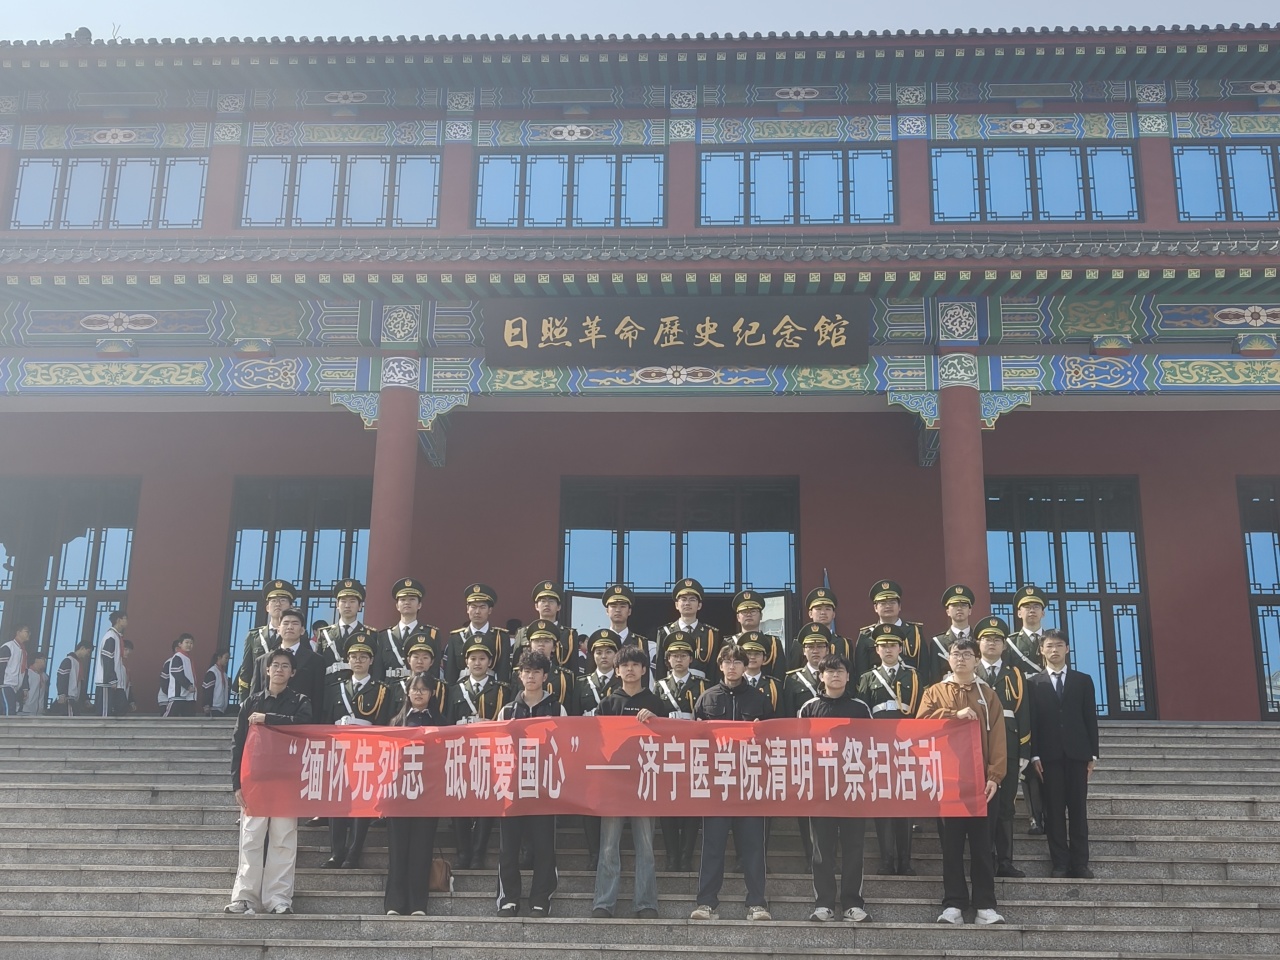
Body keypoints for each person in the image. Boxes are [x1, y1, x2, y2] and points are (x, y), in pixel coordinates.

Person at [917, 636, 1007, 925]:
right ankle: (954, 903)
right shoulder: (935, 692)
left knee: (983, 847)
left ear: (976, 660)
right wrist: (953, 714)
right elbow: (920, 726)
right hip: (948, 782)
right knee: (952, 847)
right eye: (956, 654)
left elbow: (999, 738)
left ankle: (985, 905)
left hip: (982, 783)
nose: (961, 659)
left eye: (967, 654)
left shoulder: (988, 694)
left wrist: (995, 776)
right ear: (948, 659)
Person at [225, 646, 313, 915]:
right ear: (266, 669)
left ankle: (278, 898)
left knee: (283, 839)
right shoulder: (251, 702)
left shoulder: (300, 701)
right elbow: (238, 743)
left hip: (287, 781)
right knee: (251, 838)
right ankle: (245, 897)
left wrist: (268, 719)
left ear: (293, 672)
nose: (279, 670)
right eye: (275, 665)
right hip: (256, 782)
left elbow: (304, 727)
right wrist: (236, 784)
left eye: (285, 666)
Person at [690, 642, 773, 922]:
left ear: (745, 666)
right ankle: (706, 903)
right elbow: (695, 741)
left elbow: (776, 740)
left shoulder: (759, 699)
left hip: (750, 783)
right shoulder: (707, 698)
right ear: (720, 666)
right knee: (712, 846)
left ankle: (757, 903)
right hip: (717, 784)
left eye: (738, 662)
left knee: (753, 847)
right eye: (727, 661)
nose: (732, 666)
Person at [592, 644, 668, 919]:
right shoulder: (608, 704)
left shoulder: (656, 703)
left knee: (645, 846)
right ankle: (603, 902)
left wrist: (657, 722)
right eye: (625, 665)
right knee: (608, 846)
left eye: (636, 665)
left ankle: (646, 903)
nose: (630, 669)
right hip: (613, 784)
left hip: (645, 783)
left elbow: (672, 740)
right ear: (617, 671)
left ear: (645, 669)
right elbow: (596, 742)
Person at [800, 653, 874, 922]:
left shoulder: (860, 708)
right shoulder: (809, 708)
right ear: (821, 676)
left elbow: (874, 744)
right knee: (822, 850)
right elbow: (800, 747)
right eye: (829, 671)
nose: (835, 675)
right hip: (820, 790)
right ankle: (824, 904)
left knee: (854, 847)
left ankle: (853, 903)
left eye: (840, 671)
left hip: (853, 787)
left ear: (848, 676)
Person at [496, 650, 568, 917]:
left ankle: (540, 898)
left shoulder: (557, 709)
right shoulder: (508, 710)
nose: (531, 676)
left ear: (545, 676)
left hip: (544, 787)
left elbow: (565, 746)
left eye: (536, 672)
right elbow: (497, 747)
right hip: (512, 787)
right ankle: (508, 898)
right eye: (526, 672)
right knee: (508, 847)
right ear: (519, 675)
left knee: (544, 845)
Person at [1029, 629, 1099, 880]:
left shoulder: (1083, 680)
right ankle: (1059, 863)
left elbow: (1090, 718)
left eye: (1059, 645)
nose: (1054, 650)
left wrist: (1093, 755)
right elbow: (1032, 722)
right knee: (1054, 812)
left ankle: (1080, 864)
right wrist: (1034, 755)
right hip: (1048, 757)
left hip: (1078, 754)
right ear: (1041, 650)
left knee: (1078, 810)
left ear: (1067, 649)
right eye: (1049, 646)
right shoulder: (1033, 683)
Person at [857, 623, 921, 876]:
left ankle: (905, 861)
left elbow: (920, 711)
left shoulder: (913, 676)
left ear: (900, 648)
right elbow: (862, 714)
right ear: (876, 649)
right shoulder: (867, 678)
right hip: (878, 747)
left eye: (892, 645)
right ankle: (886, 860)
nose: (888, 650)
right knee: (882, 804)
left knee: (905, 805)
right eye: (883, 646)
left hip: (906, 746)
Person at [384, 671, 449, 916]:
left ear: (432, 693)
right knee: (397, 850)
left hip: (428, 795)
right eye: (414, 689)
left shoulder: (442, 723)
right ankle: (394, 903)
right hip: (399, 795)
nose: (418, 693)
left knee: (422, 850)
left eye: (423, 689)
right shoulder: (396, 722)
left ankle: (418, 904)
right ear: (407, 693)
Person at [325, 636, 392, 870]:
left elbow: (384, 723)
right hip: (340, 751)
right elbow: (326, 721)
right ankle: (336, 853)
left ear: (371, 660)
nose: (358, 661)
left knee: (362, 803)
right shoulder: (335, 689)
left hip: (367, 751)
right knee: (337, 801)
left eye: (363, 657)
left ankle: (354, 852)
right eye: (353, 657)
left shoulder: (382, 690)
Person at [976, 616, 1032, 878]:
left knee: (1006, 805)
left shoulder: (1015, 674)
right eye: (987, 639)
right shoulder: (969, 672)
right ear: (978, 643)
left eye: (997, 640)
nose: (992, 643)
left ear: (1005, 645)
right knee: (981, 804)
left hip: (1008, 746)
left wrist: (1024, 749)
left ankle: (1005, 861)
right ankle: (983, 858)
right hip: (975, 746)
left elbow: (1023, 713)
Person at [446, 641, 506, 869]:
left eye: (482, 658)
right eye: (473, 659)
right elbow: (448, 723)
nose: (477, 663)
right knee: (458, 801)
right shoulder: (455, 690)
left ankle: (479, 854)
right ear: (466, 662)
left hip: (488, 753)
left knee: (486, 802)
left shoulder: (501, 690)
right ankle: (463, 852)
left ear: (490, 662)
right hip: (460, 752)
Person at [782, 622, 835, 870]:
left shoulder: (837, 676)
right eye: (810, 646)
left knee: (832, 803)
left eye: (820, 646)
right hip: (803, 750)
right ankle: (810, 857)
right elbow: (786, 716)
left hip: (833, 751)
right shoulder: (792, 680)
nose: (815, 650)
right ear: (803, 651)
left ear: (828, 649)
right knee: (805, 804)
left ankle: (830, 858)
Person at [573, 629, 622, 870]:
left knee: (614, 802)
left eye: (609, 652)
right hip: (589, 750)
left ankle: (611, 852)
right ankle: (594, 853)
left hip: (618, 751)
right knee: (590, 802)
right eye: (599, 652)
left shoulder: (624, 682)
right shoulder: (581, 683)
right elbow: (573, 718)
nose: (604, 656)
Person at [657, 636, 705, 872]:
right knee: (667, 805)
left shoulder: (702, 685)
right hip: (667, 750)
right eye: (674, 656)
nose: (679, 659)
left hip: (694, 750)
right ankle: (671, 856)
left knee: (692, 805)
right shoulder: (659, 686)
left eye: (683, 656)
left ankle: (686, 855)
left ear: (690, 659)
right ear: (668, 660)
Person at [1010, 585, 1048, 835]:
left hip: (1049, 707)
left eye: (1036, 607)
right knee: (1026, 763)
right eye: (1026, 607)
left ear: (1043, 613)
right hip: (1022, 706)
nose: (1031, 611)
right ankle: (1035, 817)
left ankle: (1050, 813)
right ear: (1019, 613)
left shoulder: (1052, 640)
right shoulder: (1011, 643)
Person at [249, 608, 324, 708]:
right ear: (278, 629)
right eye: (286, 623)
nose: (290, 627)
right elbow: (254, 697)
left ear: (302, 630)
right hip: (267, 714)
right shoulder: (262, 660)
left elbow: (318, 698)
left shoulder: (316, 660)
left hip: (301, 715)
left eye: (295, 623)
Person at [375, 578, 443, 689]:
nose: (407, 603)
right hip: (390, 691)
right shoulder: (384, 636)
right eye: (402, 600)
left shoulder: (431, 634)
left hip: (419, 691)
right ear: (397, 606)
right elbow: (378, 672)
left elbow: (434, 670)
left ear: (419, 605)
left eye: (412, 599)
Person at [316, 579, 371, 716]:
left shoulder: (370, 634)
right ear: (337, 604)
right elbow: (318, 666)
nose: (347, 605)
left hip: (358, 691)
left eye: (352, 601)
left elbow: (375, 667)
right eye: (343, 601)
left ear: (360, 606)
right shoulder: (325, 633)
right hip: (329, 691)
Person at [853, 580, 926, 681]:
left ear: (899, 606)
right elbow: (861, 669)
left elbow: (924, 665)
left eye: (892, 602)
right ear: (875, 607)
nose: (888, 606)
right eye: (883, 603)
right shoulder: (866, 634)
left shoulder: (914, 631)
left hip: (910, 685)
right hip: (877, 685)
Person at [235, 580, 295, 696]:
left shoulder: (296, 634)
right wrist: (244, 701)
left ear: (291, 607)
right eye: (273, 601)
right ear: (267, 607)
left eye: (283, 600)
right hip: (259, 695)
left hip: (287, 696)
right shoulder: (254, 636)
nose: (278, 604)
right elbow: (246, 671)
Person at [655, 579, 721, 683]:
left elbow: (713, 669)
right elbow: (660, 668)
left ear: (699, 605)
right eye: (683, 599)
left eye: (692, 599)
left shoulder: (710, 634)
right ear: (676, 605)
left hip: (701, 686)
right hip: (672, 686)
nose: (687, 603)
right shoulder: (665, 632)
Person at [444, 583, 511, 684]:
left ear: (490, 610)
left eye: (482, 607)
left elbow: (503, 674)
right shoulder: (456, 637)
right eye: (473, 607)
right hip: (462, 690)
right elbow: (451, 675)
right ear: (467, 609)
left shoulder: (501, 637)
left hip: (492, 689)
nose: (477, 611)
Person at [510, 582, 577, 678]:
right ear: (536, 606)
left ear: (559, 607)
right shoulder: (523, 632)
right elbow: (516, 666)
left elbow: (573, 669)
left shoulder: (569, 635)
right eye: (543, 601)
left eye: (551, 601)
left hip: (559, 683)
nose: (547, 604)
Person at [786, 587, 853, 671]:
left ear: (833, 614)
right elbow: (794, 673)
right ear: (810, 614)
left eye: (827, 609)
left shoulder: (844, 643)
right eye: (818, 609)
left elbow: (850, 673)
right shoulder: (800, 643)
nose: (823, 612)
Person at [924, 585, 977, 689]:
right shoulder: (938, 642)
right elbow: (935, 676)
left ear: (970, 611)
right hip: (948, 691)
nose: (959, 609)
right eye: (955, 605)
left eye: (964, 605)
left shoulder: (979, 640)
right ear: (948, 611)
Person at [602, 583, 655, 689]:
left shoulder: (641, 643)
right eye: (613, 606)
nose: (618, 610)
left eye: (622, 606)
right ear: (607, 611)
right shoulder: (599, 641)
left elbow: (645, 678)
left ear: (629, 611)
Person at [727, 590, 785, 681]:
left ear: (761, 616)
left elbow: (779, 673)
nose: (749, 614)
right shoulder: (729, 643)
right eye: (744, 611)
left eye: (753, 611)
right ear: (738, 617)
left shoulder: (773, 643)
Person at [94, 609, 127, 718]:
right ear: (118, 620)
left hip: (115, 682)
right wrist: (112, 678)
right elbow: (107, 659)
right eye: (125, 619)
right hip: (107, 683)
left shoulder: (116, 637)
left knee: (120, 709)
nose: (127, 622)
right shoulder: (110, 637)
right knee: (104, 714)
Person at [739, 632, 782, 711]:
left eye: (757, 654)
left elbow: (780, 714)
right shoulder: (736, 683)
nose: (752, 657)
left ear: (764, 659)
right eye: (748, 654)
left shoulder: (774, 686)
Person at [162, 633, 198, 717]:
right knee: (170, 718)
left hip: (189, 696)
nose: (189, 645)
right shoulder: (177, 657)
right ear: (180, 644)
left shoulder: (188, 658)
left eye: (191, 643)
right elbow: (177, 674)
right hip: (178, 695)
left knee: (189, 720)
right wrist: (188, 685)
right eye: (186, 642)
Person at [55, 639, 93, 715]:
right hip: (68, 698)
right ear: (82, 648)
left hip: (75, 699)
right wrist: (62, 694)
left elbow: (81, 683)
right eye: (88, 651)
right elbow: (61, 678)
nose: (88, 655)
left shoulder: (79, 663)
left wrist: (85, 698)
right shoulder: (68, 660)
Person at [1, 625, 30, 715]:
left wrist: (25, 688)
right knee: (8, 711)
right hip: (6, 684)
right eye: (26, 631)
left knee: (14, 711)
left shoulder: (24, 651)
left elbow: (24, 671)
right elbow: (1, 666)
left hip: (17, 687)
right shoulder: (8, 646)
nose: (29, 634)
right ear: (18, 632)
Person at [203, 650, 231, 717]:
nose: (227, 660)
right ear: (219, 657)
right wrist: (206, 704)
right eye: (226, 658)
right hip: (213, 708)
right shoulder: (212, 672)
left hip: (222, 709)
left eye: (228, 658)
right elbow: (207, 689)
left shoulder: (224, 674)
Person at [21, 651, 48, 716]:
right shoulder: (26, 673)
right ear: (35, 660)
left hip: (39, 712)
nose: (44, 661)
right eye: (42, 659)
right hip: (25, 711)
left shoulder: (45, 676)